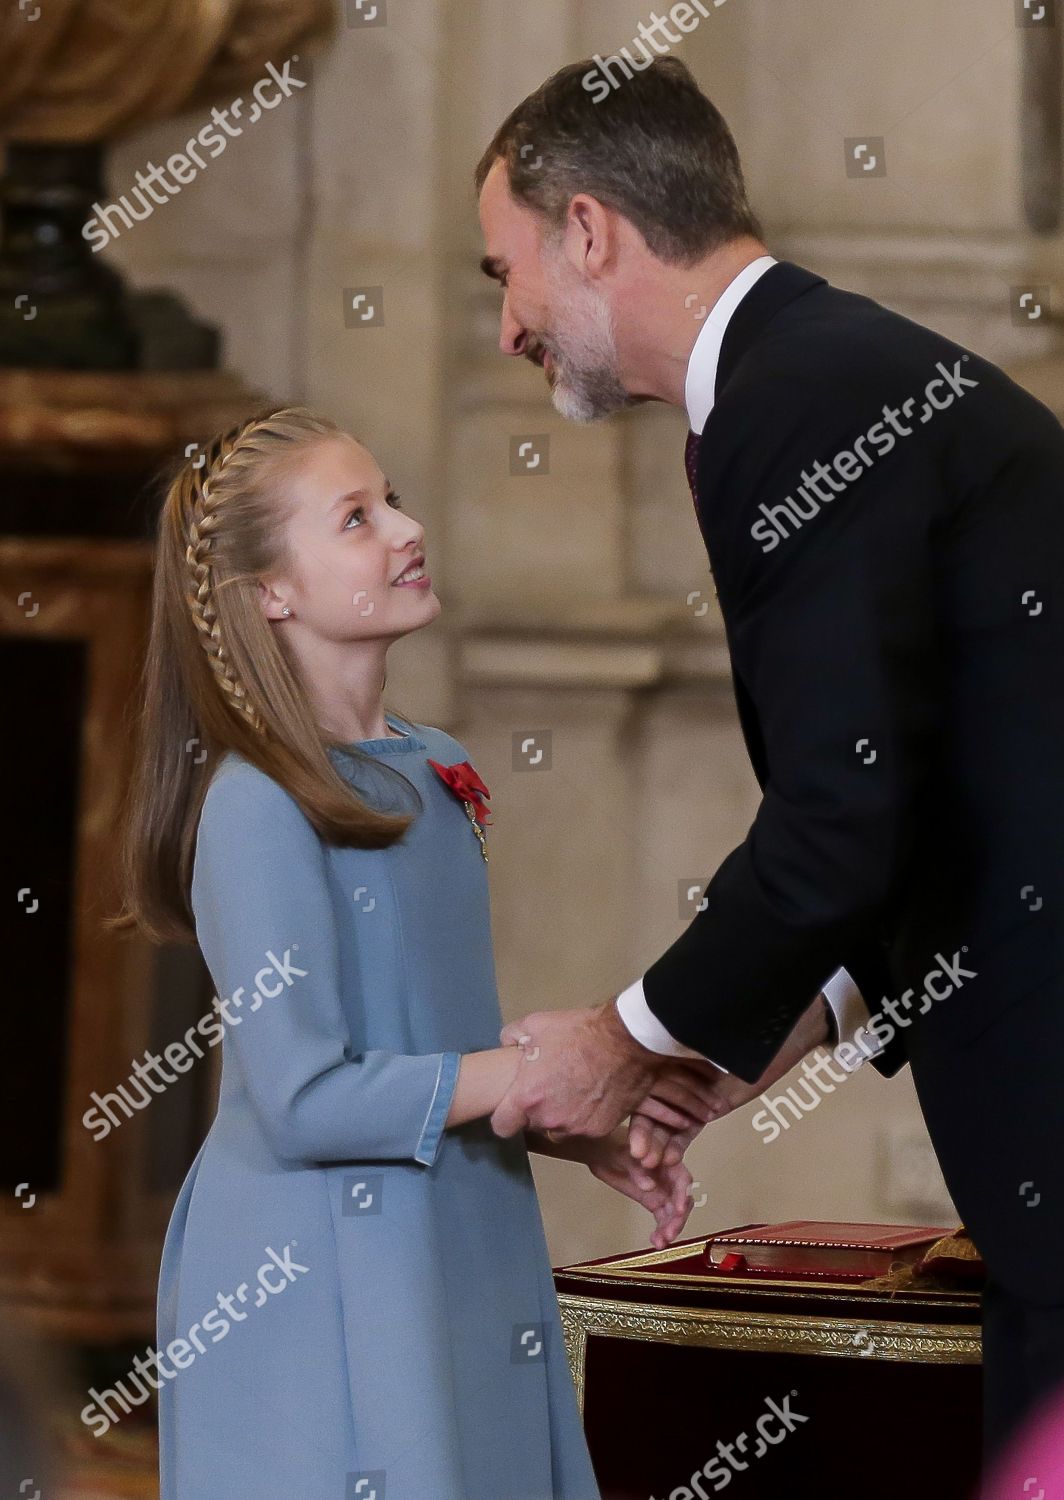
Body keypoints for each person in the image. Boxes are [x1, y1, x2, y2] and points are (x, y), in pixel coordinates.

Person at [475, 56, 1064, 1475]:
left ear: (593, 230)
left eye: (504, 272)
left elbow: (840, 816)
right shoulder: (828, 368)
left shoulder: (796, 400)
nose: (506, 329)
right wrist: (773, 1023)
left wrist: (629, 1036)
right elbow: (933, 787)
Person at [108, 406, 726, 1498]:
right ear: (271, 593)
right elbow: (304, 1098)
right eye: (356, 518)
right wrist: (545, 1068)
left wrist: (565, 1120)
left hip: (458, 1221)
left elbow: (424, 1050)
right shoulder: (254, 805)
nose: (405, 528)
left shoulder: (432, 765)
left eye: (390, 498)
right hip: (321, 1260)